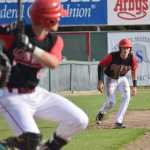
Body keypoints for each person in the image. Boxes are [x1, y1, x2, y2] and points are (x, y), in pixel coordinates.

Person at [0, 0, 89, 149]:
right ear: (47, 19)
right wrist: (7, 32)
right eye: (57, 15)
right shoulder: (16, 33)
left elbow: (53, 63)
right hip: (11, 97)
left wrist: (30, 47)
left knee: (79, 120)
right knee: (31, 141)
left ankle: (49, 147)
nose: (60, 18)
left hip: (36, 94)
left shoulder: (54, 41)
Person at [96, 38, 138, 128]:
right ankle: (101, 112)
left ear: (130, 49)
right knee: (111, 102)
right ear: (120, 48)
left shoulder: (132, 58)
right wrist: (100, 81)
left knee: (127, 97)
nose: (126, 50)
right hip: (111, 79)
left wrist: (134, 86)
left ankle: (118, 121)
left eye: (128, 48)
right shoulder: (112, 56)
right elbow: (100, 65)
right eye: (124, 48)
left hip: (122, 79)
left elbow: (134, 71)